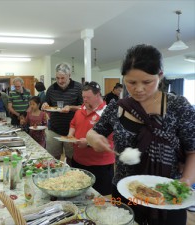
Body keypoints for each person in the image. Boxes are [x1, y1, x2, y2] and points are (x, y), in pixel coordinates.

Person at [86, 44, 195, 225]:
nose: (138, 89)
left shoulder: (179, 107)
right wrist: (94, 138)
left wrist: (186, 181)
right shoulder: (117, 107)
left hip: (167, 193)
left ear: (160, 76)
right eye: (131, 82)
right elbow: (93, 132)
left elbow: (192, 151)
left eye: (147, 82)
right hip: (124, 189)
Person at [67, 81, 115, 195]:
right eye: (83, 97)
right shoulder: (81, 109)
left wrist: (88, 143)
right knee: (80, 195)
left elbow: (110, 142)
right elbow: (73, 124)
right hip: (78, 161)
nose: (85, 100)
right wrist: (70, 135)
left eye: (88, 97)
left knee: (100, 198)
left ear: (98, 95)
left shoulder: (107, 113)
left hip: (99, 166)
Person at [41, 62, 83, 164]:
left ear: (69, 75)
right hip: (54, 129)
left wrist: (71, 107)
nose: (60, 81)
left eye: (63, 78)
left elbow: (84, 107)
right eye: (57, 78)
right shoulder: (51, 88)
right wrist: (45, 104)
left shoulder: (79, 87)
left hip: (73, 130)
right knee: (53, 158)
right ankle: (55, 178)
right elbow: (47, 102)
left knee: (71, 158)